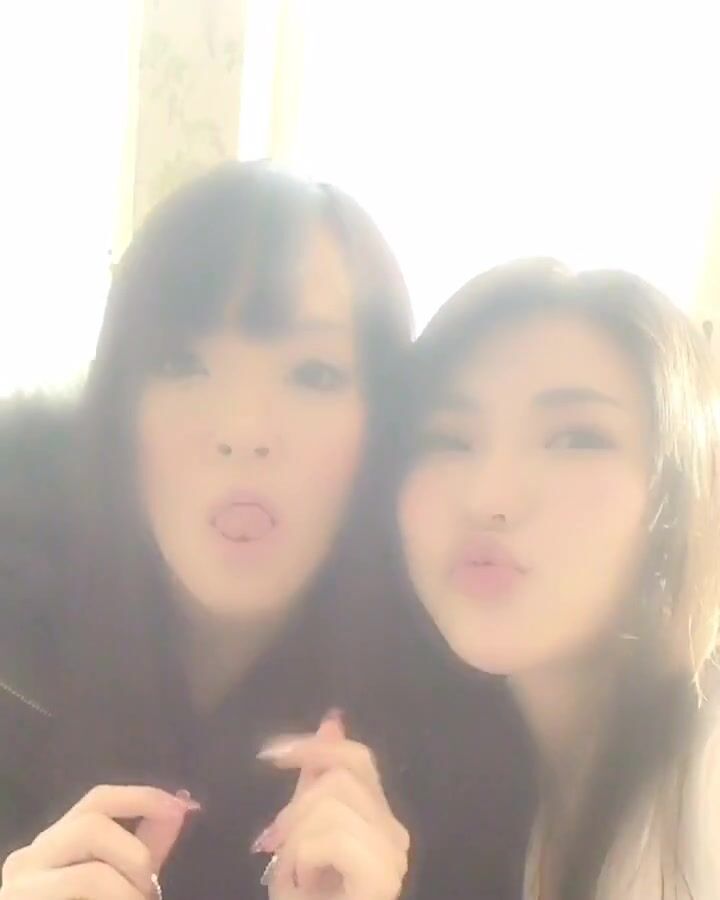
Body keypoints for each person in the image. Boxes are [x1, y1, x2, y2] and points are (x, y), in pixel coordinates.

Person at [0, 164, 534, 900]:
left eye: (313, 374)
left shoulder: (466, 734)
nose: (244, 431)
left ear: (384, 421)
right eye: (182, 364)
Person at [395, 259, 720, 899]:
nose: (489, 498)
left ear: (684, 483)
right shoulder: (474, 794)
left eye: (576, 439)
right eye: (449, 439)